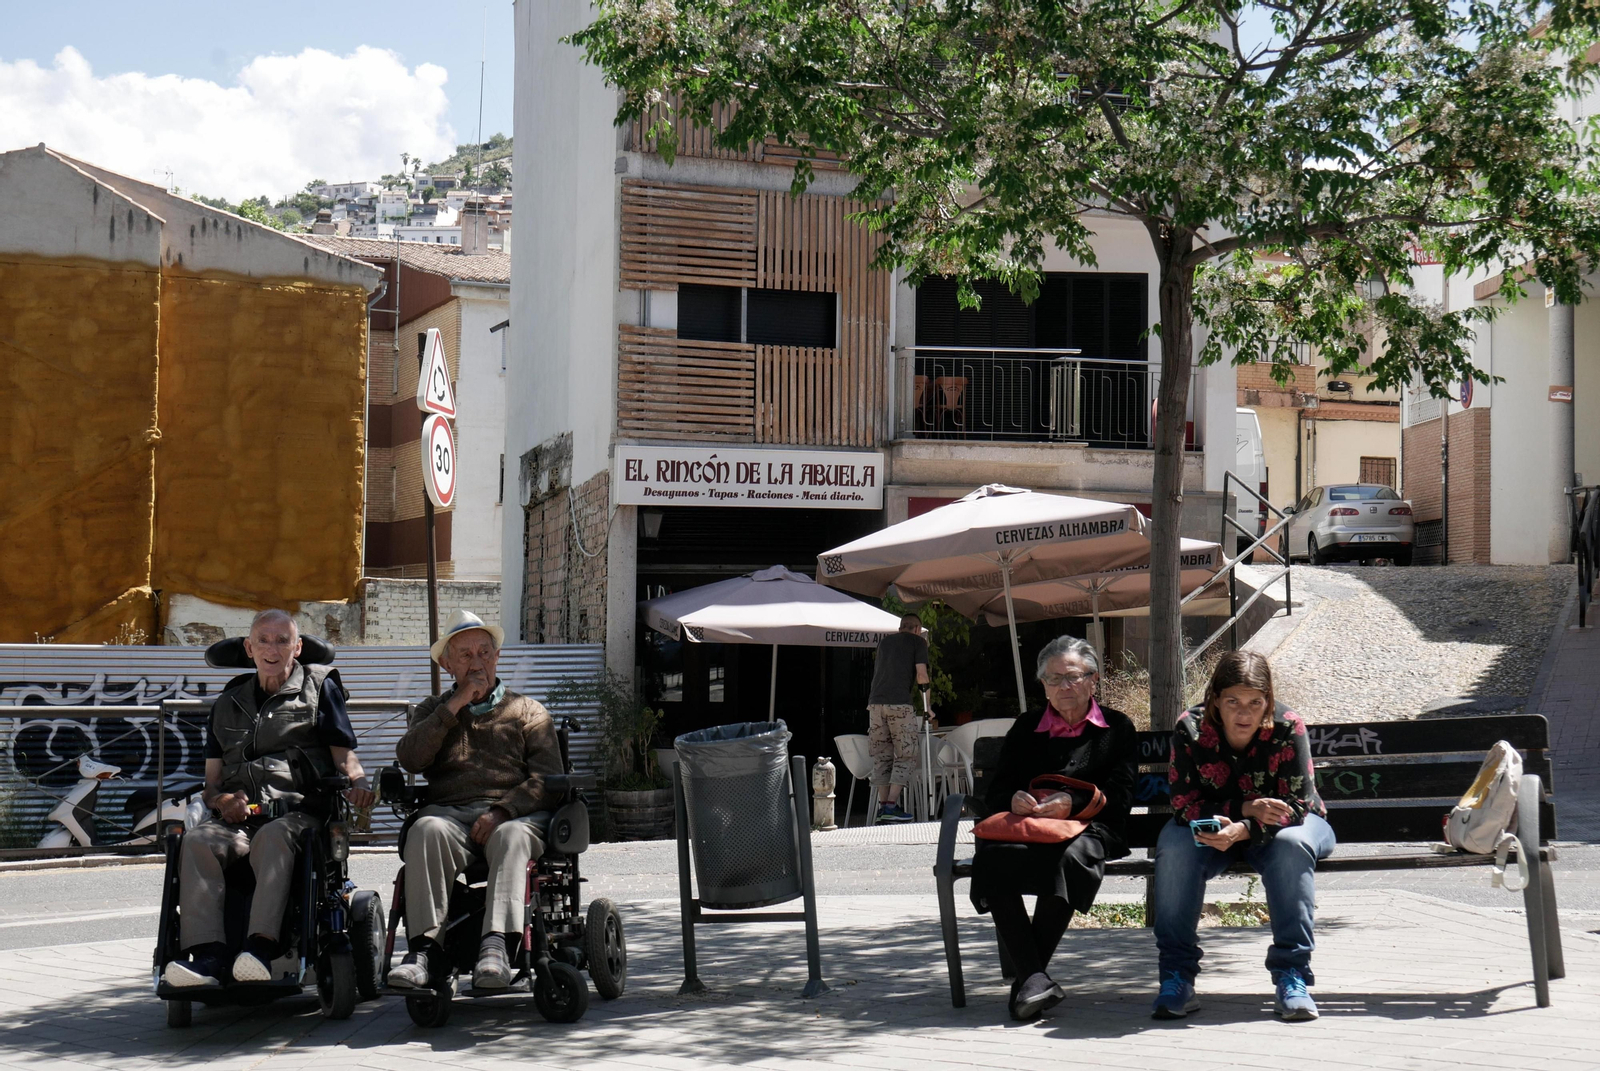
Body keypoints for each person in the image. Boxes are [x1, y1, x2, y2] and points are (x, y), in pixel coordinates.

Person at [162, 609, 374, 988]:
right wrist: (221, 801)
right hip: (240, 819)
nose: (272, 649)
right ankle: (209, 957)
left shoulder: (320, 687)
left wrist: (358, 781)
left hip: (299, 814)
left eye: (282, 641)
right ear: (249, 648)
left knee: (272, 836)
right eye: (263, 640)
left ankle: (259, 949)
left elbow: (344, 755)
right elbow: (211, 785)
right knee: (196, 841)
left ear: (298, 647)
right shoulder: (227, 702)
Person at [386, 609, 567, 992]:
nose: (477, 663)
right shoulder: (431, 711)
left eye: (485, 652)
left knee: (510, 836)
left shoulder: (528, 711)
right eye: (465, 655)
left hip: (514, 817)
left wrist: (502, 810)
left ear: (497, 657)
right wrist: (453, 706)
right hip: (450, 817)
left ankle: (496, 947)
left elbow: (547, 781)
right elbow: (411, 758)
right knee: (426, 829)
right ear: (447, 665)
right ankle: (424, 952)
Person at [1151, 650, 1334, 1023]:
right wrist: (1244, 811)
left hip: (1290, 826)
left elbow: (1298, 804)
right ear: (1216, 700)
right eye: (1233, 701)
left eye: (1255, 702)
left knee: (1292, 847)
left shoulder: (1287, 727)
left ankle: (1292, 974)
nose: (1244, 714)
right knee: (1175, 849)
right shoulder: (1191, 728)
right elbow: (1184, 804)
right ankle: (1176, 976)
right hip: (1216, 829)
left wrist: (1247, 829)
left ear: (1268, 699)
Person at [969, 636, 1137, 1021]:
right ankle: (1033, 980)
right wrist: (1013, 799)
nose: (1064, 686)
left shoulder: (1117, 728)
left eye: (1073, 677)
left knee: (1069, 858)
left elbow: (1121, 795)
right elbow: (998, 790)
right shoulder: (1027, 727)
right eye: (1053, 678)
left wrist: (1072, 804)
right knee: (993, 858)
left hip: (1092, 827)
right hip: (1031, 826)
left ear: (1093, 679)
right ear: (1042, 684)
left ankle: (1027, 979)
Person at [865, 612, 932, 824]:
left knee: (882, 756)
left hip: (875, 704)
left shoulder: (884, 643)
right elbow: (921, 675)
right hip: (900, 704)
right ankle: (891, 806)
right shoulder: (918, 642)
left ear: (901, 627)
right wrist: (927, 707)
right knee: (906, 754)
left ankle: (883, 808)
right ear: (917, 629)